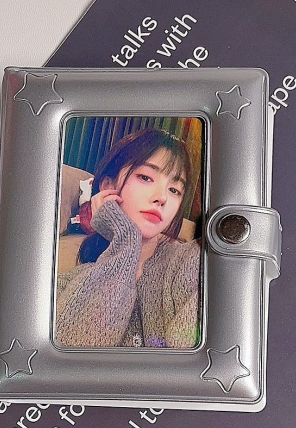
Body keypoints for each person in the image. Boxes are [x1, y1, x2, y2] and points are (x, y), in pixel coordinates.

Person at [55, 128, 201, 348]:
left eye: (174, 190)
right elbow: (74, 357)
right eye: (145, 177)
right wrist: (126, 241)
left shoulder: (195, 262)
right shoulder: (68, 283)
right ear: (108, 187)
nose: (161, 197)